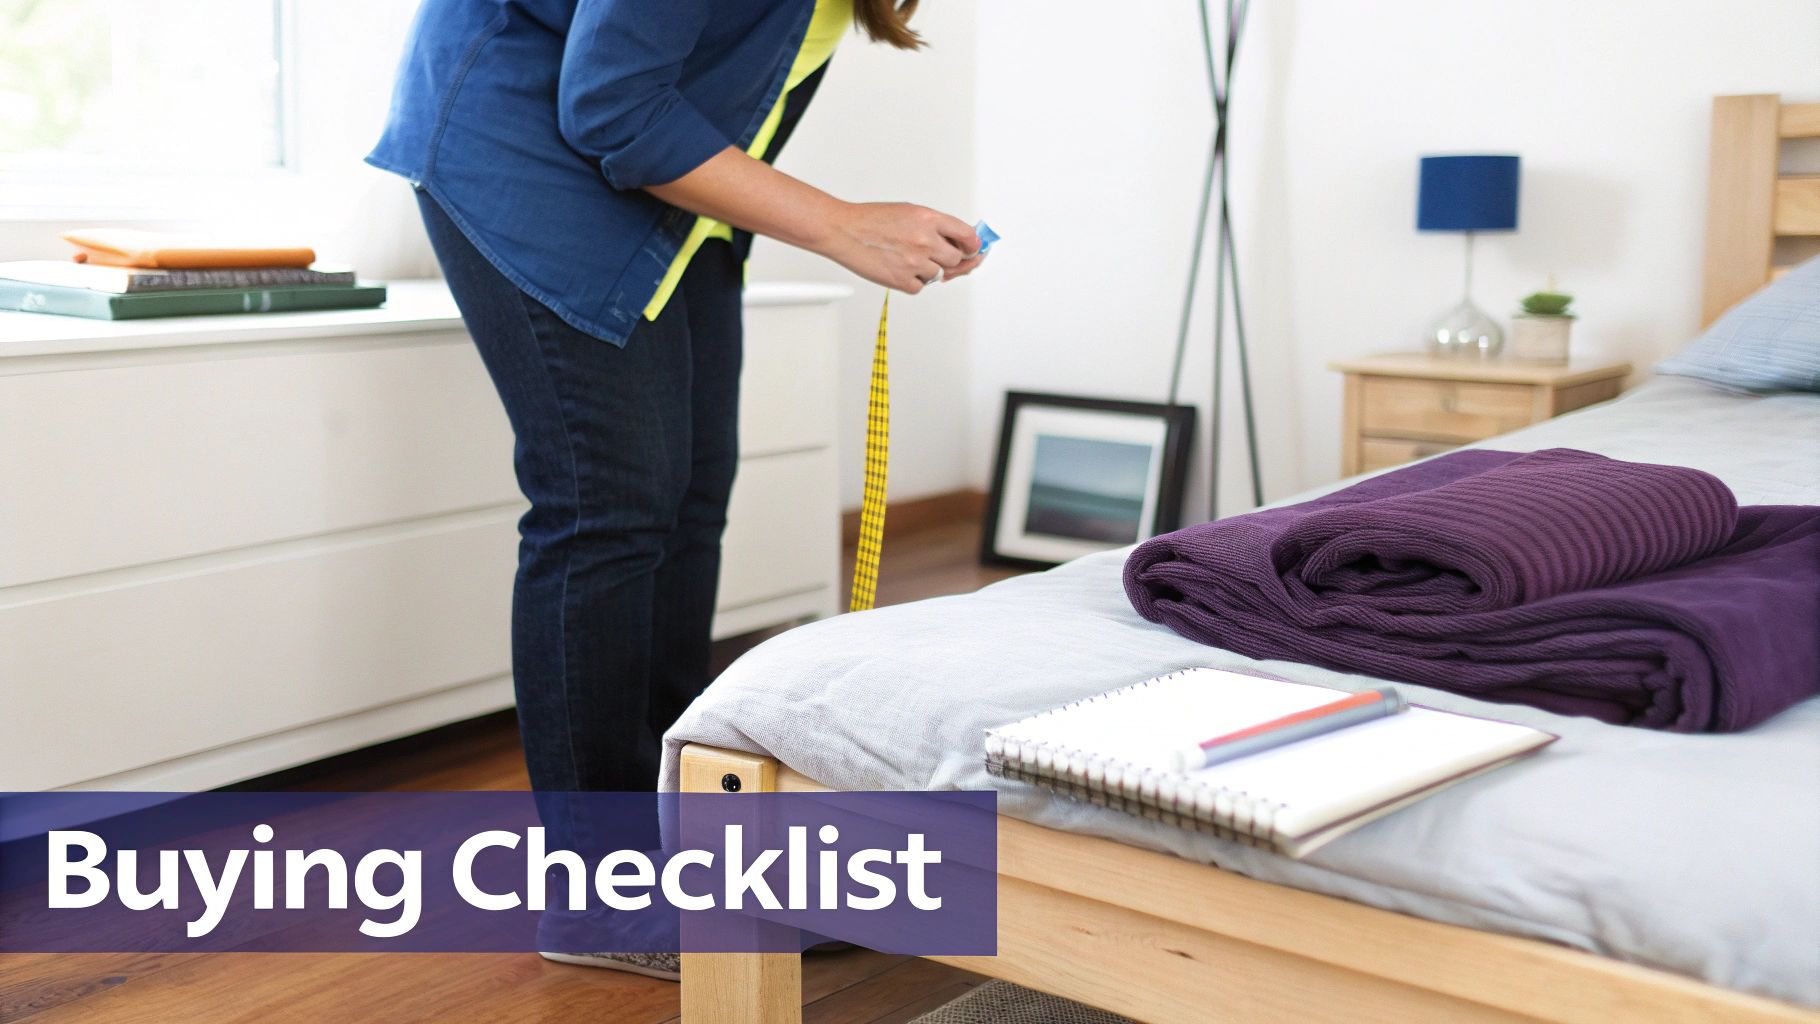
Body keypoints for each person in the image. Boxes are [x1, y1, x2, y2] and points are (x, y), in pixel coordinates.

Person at [368, 0, 981, 813]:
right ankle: (600, 883)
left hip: (667, 186)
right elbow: (611, 105)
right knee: (611, 506)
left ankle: (678, 823)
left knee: (689, 497)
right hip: (527, 145)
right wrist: (840, 226)